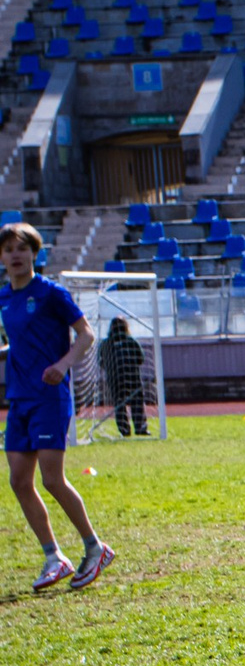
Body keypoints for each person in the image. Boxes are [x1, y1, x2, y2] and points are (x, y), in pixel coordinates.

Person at [1, 222, 111, 592]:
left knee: (51, 479)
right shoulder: (4, 298)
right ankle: (54, 557)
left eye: (22, 248)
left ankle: (95, 548)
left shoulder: (50, 293)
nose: (15, 255)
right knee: (19, 481)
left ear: (35, 252)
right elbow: (19, 344)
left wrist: (63, 365)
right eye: (8, 249)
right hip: (18, 398)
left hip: (50, 396)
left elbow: (86, 334)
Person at [101, 317, 148, 437]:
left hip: (114, 378)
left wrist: (111, 368)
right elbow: (141, 358)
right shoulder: (131, 341)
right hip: (132, 377)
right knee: (137, 402)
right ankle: (140, 428)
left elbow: (100, 361)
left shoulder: (105, 343)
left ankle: (124, 430)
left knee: (119, 404)